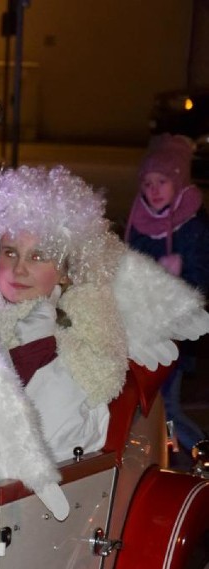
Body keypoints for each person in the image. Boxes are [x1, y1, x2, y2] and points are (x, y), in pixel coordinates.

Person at [0, 165, 209, 462]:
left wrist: (36, 344)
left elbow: (52, 440)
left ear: (65, 273)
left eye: (38, 256)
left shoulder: (85, 342)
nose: (19, 269)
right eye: (10, 252)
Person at [124, 134, 209, 451]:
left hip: (174, 338)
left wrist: (178, 276)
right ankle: (161, 460)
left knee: (168, 411)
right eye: (147, 184)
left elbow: (201, 281)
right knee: (145, 409)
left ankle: (200, 454)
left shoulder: (193, 228)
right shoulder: (140, 222)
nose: (153, 191)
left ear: (179, 180)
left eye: (161, 181)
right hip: (142, 335)